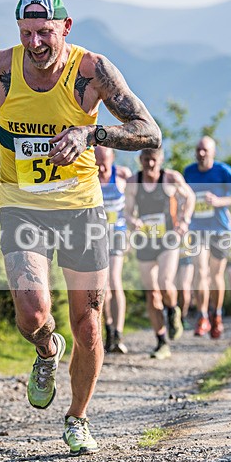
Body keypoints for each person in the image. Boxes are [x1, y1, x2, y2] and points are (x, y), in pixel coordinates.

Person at [0, 0, 161, 456]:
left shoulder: (92, 71)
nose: (35, 43)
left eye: (45, 32)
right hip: (22, 205)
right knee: (32, 313)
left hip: (81, 210)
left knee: (89, 326)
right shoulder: (0, 67)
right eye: (26, 33)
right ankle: (47, 351)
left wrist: (91, 132)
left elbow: (150, 131)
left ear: (65, 28)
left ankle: (77, 418)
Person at [124, 148, 194, 359]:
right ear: (141, 160)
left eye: (154, 160)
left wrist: (184, 221)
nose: (150, 165)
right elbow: (127, 211)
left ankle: (173, 310)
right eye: (146, 160)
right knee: (152, 293)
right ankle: (161, 341)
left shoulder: (170, 178)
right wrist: (132, 221)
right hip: (145, 241)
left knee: (164, 282)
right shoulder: (133, 182)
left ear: (160, 160)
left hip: (168, 239)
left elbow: (189, 197)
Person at [183, 136, 231, 339]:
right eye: (198, 150)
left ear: (213, 153)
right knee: (201, 273)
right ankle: (202, 317)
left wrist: (219, 201)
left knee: (216, 275)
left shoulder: (223, 171)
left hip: (220, 230)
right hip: (197, 229)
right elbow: (182, 197)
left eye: (205, 151)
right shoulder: (189, 172)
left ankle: (216, 315)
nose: (201, 154)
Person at [95, 145, 132, 354]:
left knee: (115, 282)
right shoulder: (90, 177)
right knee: (103, 288)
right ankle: (109, 328)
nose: (101, 169)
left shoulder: (122, 176)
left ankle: (118, 331)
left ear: (112, 159)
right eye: (97, 163)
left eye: (104, 164)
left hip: (117, 234)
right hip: (97, 237)